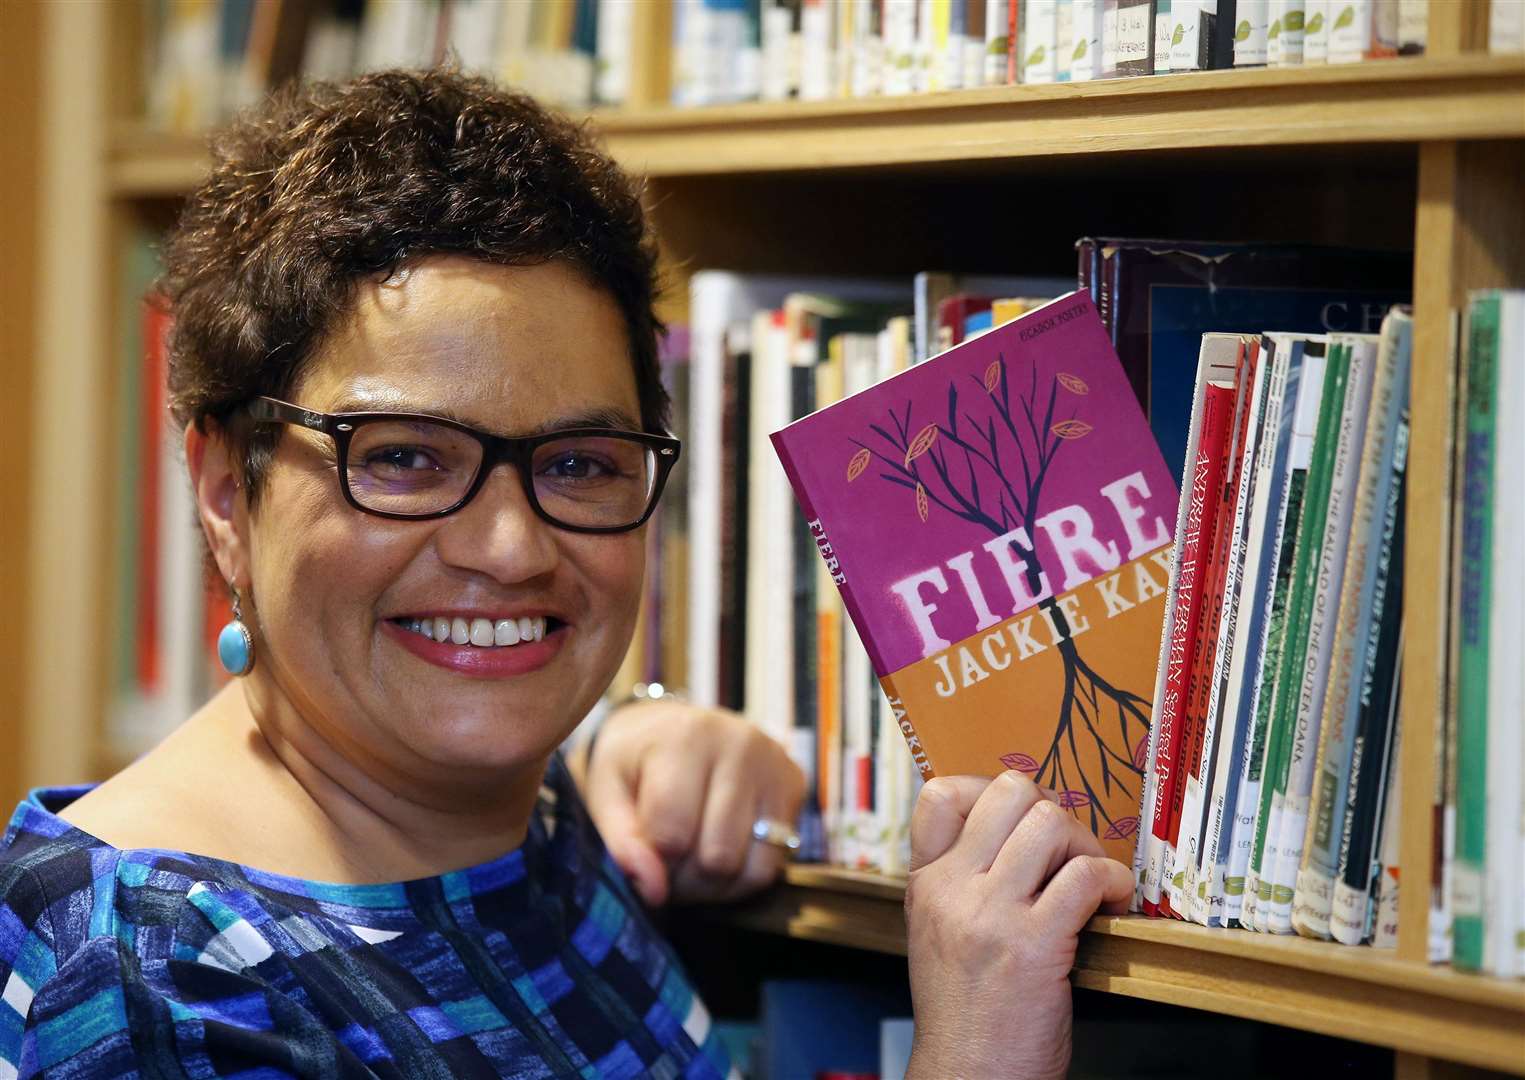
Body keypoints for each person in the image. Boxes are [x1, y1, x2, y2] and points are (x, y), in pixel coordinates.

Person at [0, 69, 1131, 1079]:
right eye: (401, 458)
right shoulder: (145, 975)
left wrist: (631, 739)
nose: (510, 548)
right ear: (221, 490)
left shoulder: (522, 813)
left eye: (580, 462)